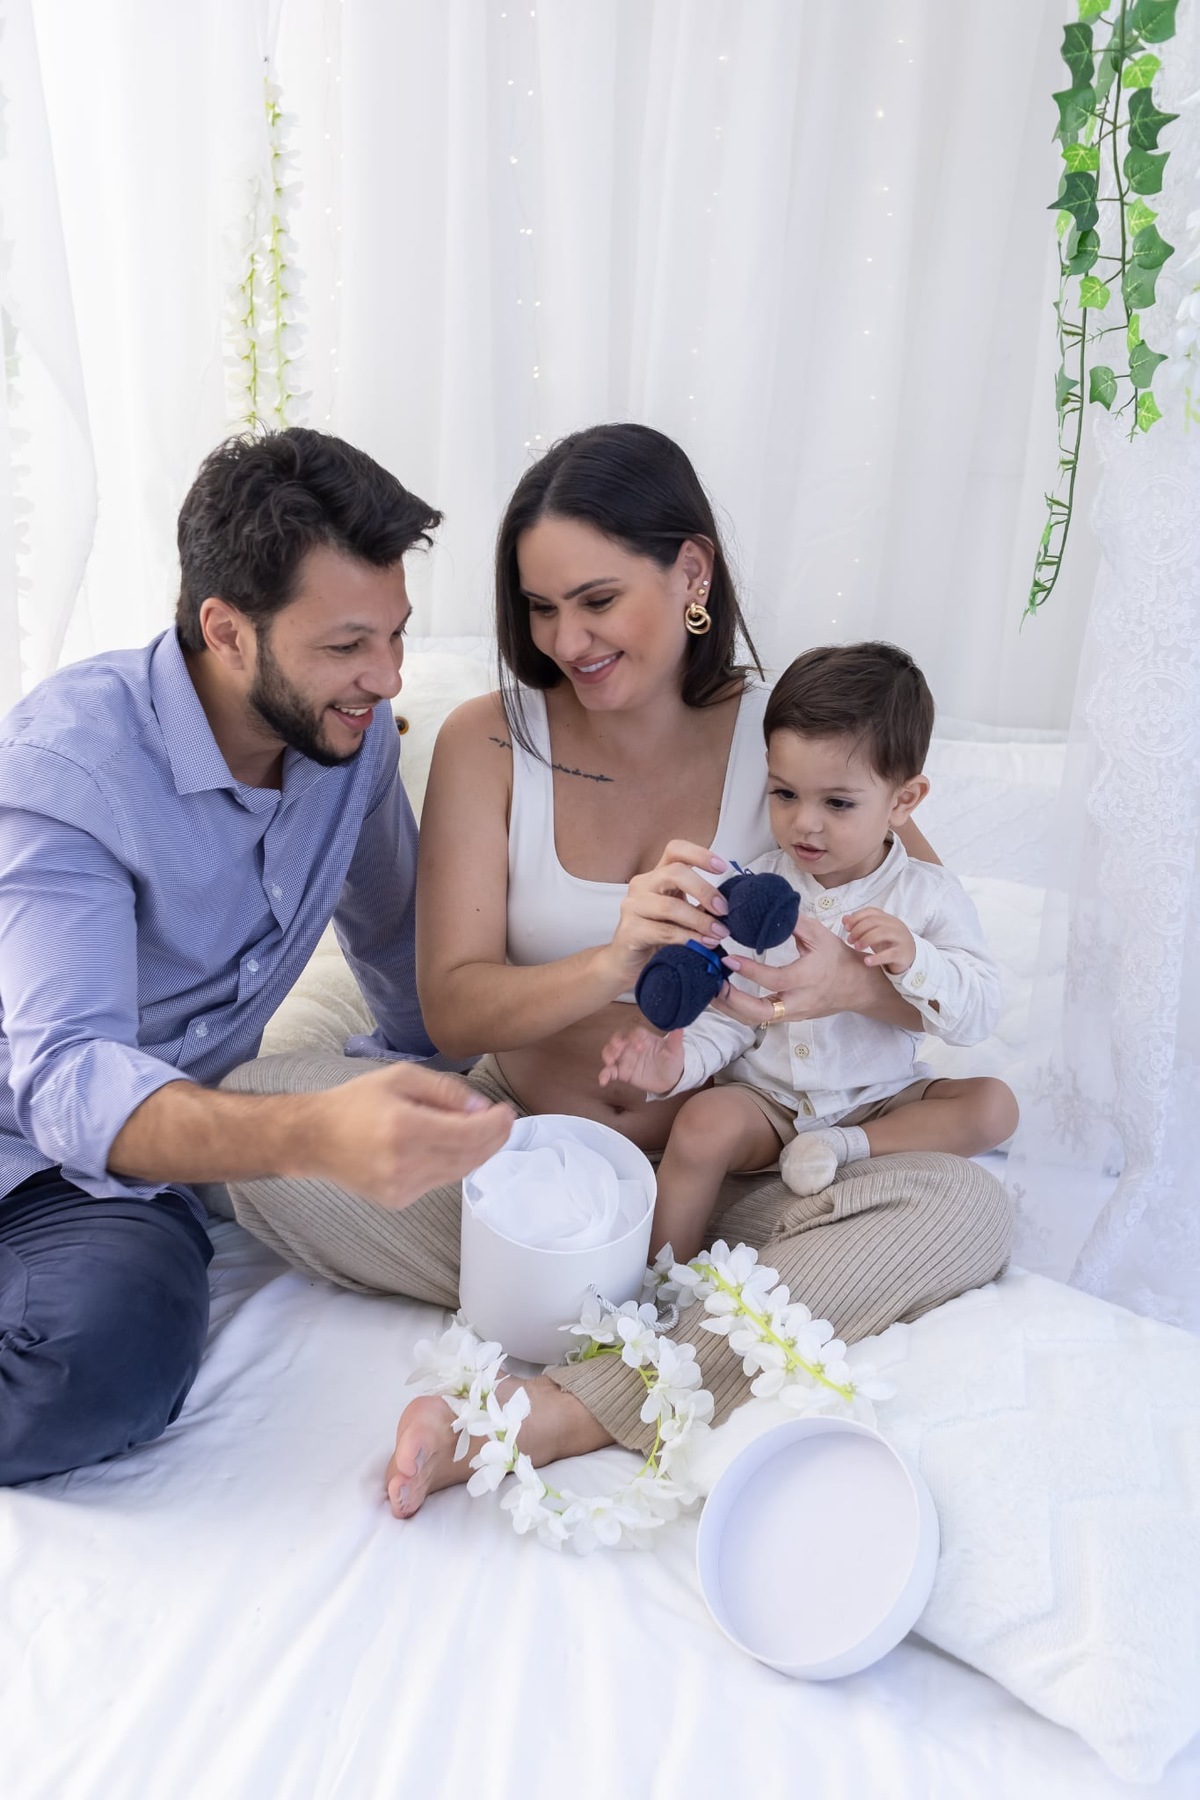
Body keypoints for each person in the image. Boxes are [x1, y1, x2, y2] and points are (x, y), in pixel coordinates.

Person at [213, 423, 1013, 1517]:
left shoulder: (790, 745)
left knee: (961, 1211)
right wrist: (613, 961)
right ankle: (630, 1317)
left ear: (691, 571)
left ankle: (567, 1402)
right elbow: (452, 1002)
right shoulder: (489, 740)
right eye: (540, 609)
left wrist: (846, 987)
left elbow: (925, 942)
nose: (567, 640)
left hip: (731, 1179)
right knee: (254, 1119)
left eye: (595, 600)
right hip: (516, 1164)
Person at [0, 428, 515, 1487]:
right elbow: (63, 1080)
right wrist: (309, 1134)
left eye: (397, 636)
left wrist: (470, 1094)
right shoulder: (69, 769)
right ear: (226, 630)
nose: (385, 677)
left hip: (102, 1183)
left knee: (107, 1366)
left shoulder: (352, 740)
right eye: (345, 646)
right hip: (41, 1109)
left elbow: (391, 936)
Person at [599, 642, 1019, 1263]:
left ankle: (848, 1149)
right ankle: (657, 1292)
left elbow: (979, 1011)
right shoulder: (757, 890)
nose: (805, 825)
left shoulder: (927, 895)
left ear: (903, 801)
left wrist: (915, 961)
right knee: (700, 1125)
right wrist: (677, 1071)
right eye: (785, 794)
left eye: (838, 803)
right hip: (768, 1103)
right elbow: (730, 1012)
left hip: (878, 1099)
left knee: (994, 1104)